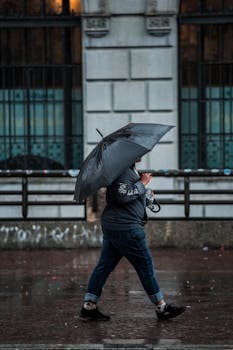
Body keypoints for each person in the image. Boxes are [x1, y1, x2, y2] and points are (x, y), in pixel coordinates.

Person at [79, 160, 186, 321]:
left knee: (104, 266)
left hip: (116, 225)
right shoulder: (121, 170)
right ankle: (161, 308)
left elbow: (128, 194)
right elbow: (122, 196)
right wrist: (142, 184)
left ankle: (89, 306)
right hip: (126, 228)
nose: (141, 155)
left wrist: (147, 195)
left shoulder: (127, 169)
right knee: (145, 267)